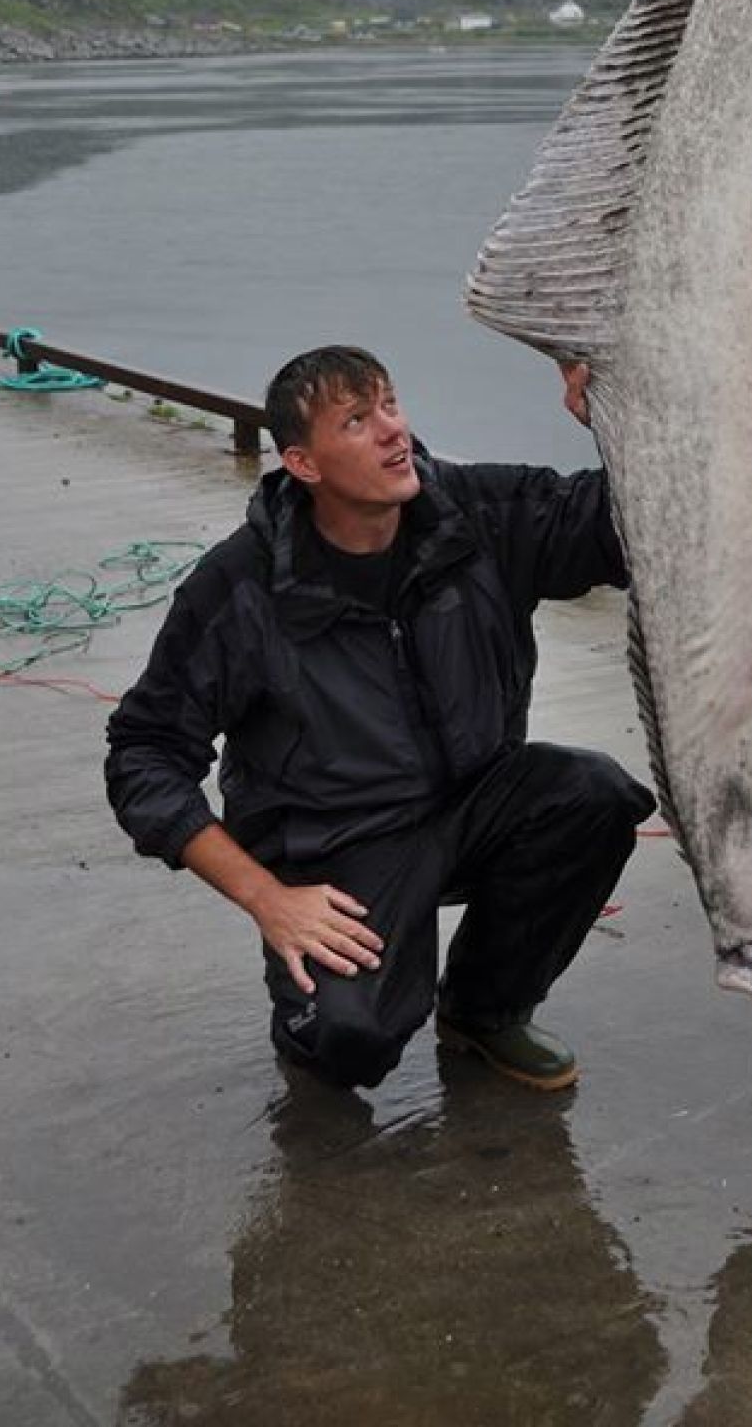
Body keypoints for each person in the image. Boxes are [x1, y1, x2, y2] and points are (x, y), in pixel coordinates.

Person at [104, 343, 655, 1093]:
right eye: (357, 420)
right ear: (303, 464)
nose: (394, 430)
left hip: (472, 805)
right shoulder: (241, 587)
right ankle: (317, 1013)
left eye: (390, 405)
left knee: (593, 796)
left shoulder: (476, 515)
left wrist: (622, 418)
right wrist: (269, 900)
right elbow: (144, 753)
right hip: (339, 847)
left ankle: (484, 1013)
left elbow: (624, 523)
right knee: (348, 1045)